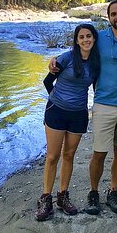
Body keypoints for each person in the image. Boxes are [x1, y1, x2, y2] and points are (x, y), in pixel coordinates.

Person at [49, 0, 117, 215]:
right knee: (99, 152)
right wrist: (54, 60)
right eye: (113, 14)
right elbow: (77, 50)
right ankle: (93, 193)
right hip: (102, 103)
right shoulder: (99, 38)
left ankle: (113, 192)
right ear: (108, 17)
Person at [36, 24, 101, 221]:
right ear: (76, 40)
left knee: (69, 155)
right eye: (81, 37)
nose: (85, 40)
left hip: (79, 113)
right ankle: (45, 198)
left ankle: (63, 196)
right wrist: (56, 100)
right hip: (56, 111)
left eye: (89, 36)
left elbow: (97, 87)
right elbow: (48, 81)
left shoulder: (97, 61)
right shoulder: (66, 58)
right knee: (52, 156)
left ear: (94, 38)